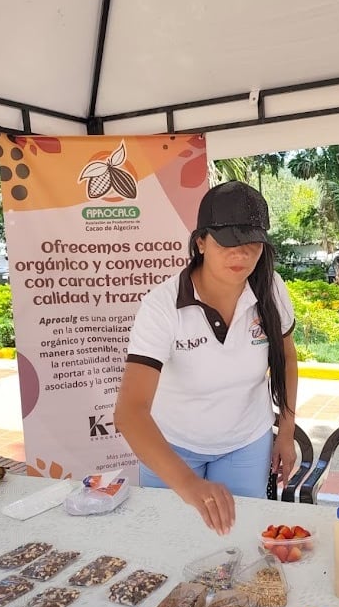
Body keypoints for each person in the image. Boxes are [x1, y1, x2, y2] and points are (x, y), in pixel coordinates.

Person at [114, 181, 298, 536]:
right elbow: (129, 412)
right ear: (201, 242)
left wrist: (286, 431)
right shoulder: (162, 306)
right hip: (174, 444)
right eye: (227, 243)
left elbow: (287, 360)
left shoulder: (271, 288)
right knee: (171, 538)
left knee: (241, 537)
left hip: (246, 441)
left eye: (252, 243)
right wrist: (188, 484)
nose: (241, 255)